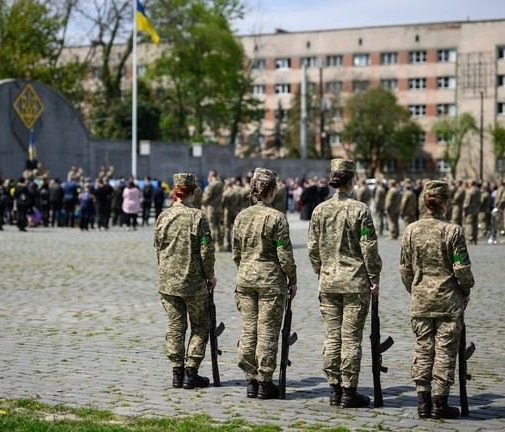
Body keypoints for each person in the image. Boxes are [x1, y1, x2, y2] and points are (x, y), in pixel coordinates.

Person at [308, 159, 382, 408]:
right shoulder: (359, 210)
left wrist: (322, 270)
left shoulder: (319, 210)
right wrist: (374, 277)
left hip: (328, 282)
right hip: (354, 282)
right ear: (351, 179)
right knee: (350, 338)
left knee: (332, 336)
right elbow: (368, 247)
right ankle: (349, 391)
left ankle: (334, 389)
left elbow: (312, 248)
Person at [399, 180, 474, 420]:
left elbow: (405, 268)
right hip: (447, 300)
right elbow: (461, 268)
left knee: (423, 350)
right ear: (445, 202)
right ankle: (439, 403)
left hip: (421, 299)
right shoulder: (452, 231)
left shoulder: (411, 230)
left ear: (425, 201)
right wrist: (466, 290)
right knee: (444, 351)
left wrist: (416, 289)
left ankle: (422, 402)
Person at [232, 167, 297, 400]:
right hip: (270, 280)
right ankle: (264, 381)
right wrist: (293, 279)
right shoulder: (276, 217)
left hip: (246, 278)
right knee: (267, 331)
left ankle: (250, 379)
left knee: (249, 329)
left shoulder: (242, 216)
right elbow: (285, 254)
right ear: (272, 191)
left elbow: (236, 252)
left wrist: (245, 268)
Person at [154, 173, 216, 389]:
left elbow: (157, 247)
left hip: (168, 282)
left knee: (175, 326)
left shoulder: (164, 216)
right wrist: (210, 276)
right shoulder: (197, 217)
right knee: (200, 326)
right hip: (193, 282)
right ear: (192, 192)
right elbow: (206, 250)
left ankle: (176, 372)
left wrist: (165, 270)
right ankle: (191, 371)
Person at [202, 170, 224, 250]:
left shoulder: (211, 185)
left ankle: (212, 244)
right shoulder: (221, 184)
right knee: (218, 226)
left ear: (211, 176)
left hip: (211, 208)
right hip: (218, 207)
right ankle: (219, 244)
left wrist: (203, 202)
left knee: (211, 226)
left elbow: (207, 197)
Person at [463, 180, 481, 245]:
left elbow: (467, 202)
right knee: (475, 224)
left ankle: (470, 238)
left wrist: (465, 211)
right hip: (476, 210)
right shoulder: (478, 190)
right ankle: (475, 239)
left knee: (469, 224)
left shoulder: (470, 191)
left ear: (471, 183)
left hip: (470, 210)